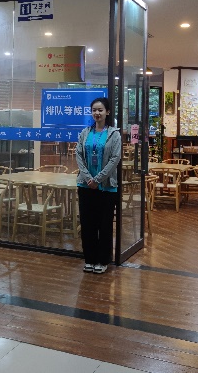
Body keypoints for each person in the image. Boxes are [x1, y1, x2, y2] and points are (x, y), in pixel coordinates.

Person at [75, 97, 121, 274]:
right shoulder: (85, 133)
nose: (97, 113)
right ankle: (90, 259)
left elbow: (114, 159)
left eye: (100, 110)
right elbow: (79, 155)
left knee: (104, 224)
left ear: (107, 112)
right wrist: (88, 179)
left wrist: (98, 179)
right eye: (94, 110)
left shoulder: (114, 134)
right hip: (86, 186)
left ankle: (102, 260)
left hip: (107, 187)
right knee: (88, 224)